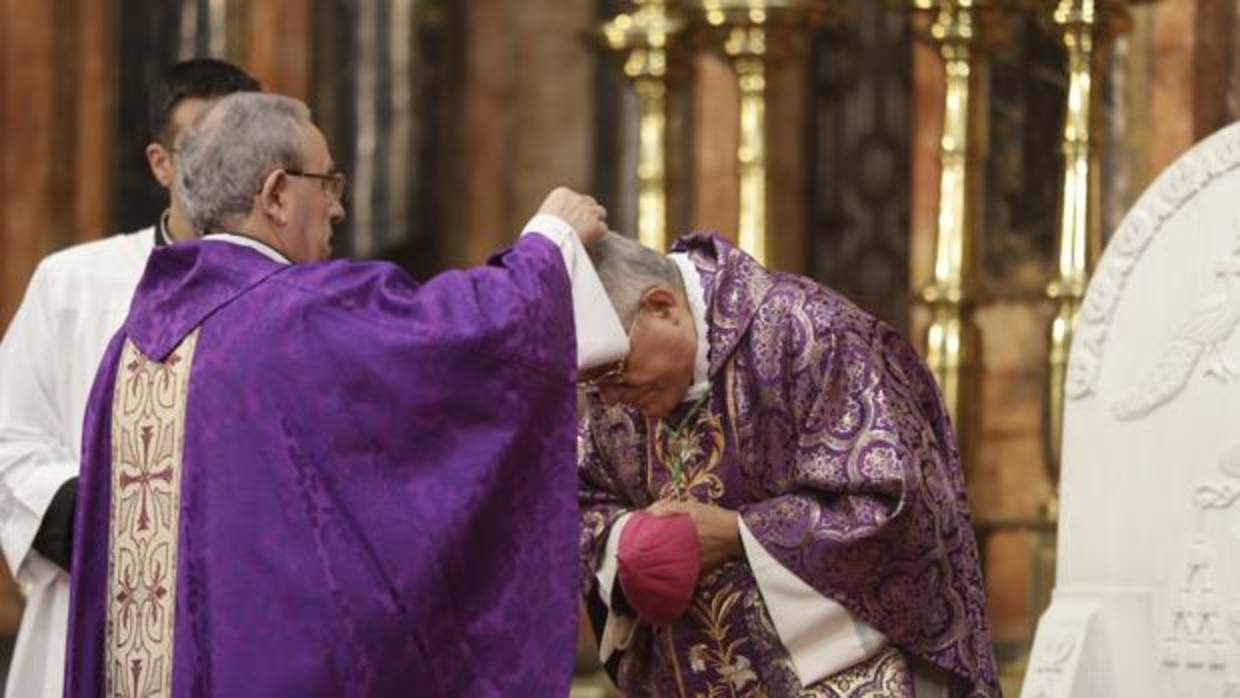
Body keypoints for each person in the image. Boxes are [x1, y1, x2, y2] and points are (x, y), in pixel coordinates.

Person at [63, 92, 626, 697]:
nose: (338, 208)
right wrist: (550, 244)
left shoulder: (129, 350)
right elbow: (461, 338)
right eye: (326, 183)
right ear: (276, 194)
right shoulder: (293, 316)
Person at [577, 232, 1001, 697]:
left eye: (614, 377)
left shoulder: (813, 333)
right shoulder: (614, 384)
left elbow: (900, 506)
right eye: (591, 388)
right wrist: (628, 538)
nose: (610, 400)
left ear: (663, 306)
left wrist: (740, 533)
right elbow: (582, 497)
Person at [0, 58, 260, 698]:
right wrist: (115, 524)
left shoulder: (293, 294)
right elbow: (9, 436)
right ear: (160, 164)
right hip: (96, 612)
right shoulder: (75, 284)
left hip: (244, 624)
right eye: (203, 148)